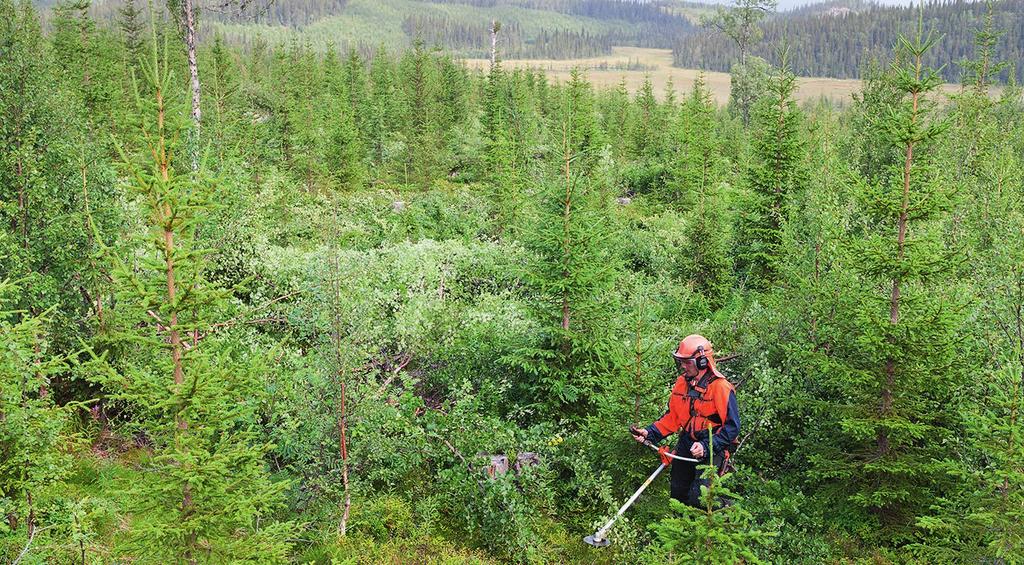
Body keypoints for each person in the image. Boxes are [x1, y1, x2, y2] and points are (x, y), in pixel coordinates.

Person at [631, 334, 740, 508]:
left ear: (702, 362)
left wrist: (707, 446)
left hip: (713, 445)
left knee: (701, 498)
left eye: (687, 362)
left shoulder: (720, 387)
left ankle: (727, 513)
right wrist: (650, 433)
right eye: (681, 361)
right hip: (687, 442)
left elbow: (732, 427)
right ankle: (680, 534)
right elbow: (673, 416)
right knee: (678, 493)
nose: (683, 366)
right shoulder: (682, 383)